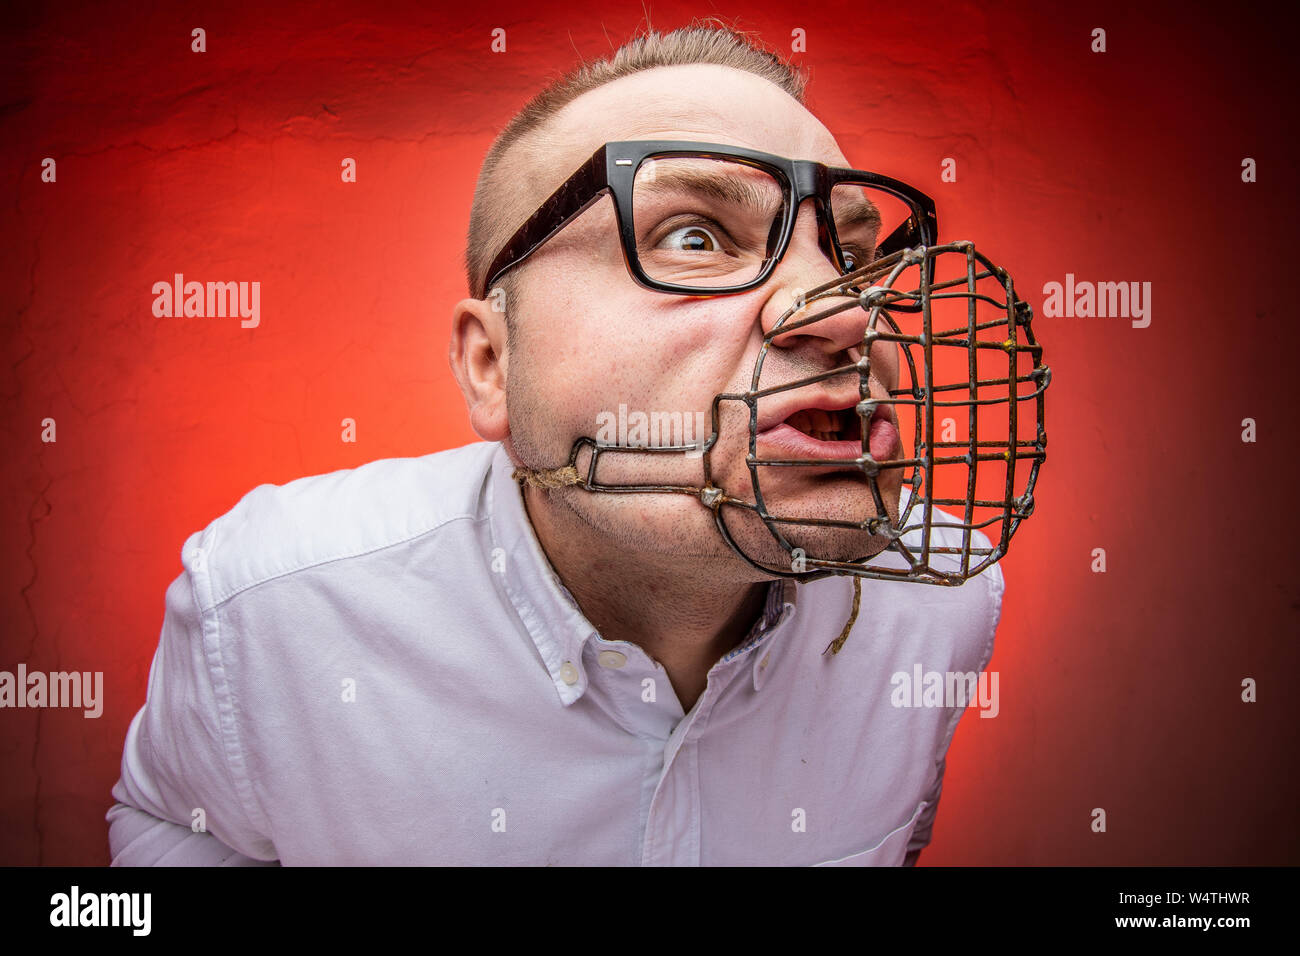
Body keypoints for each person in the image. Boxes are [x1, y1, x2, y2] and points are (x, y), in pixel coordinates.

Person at [107, 22, 1002, 866]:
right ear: (492, 363)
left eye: (854, 258)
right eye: (694, 236)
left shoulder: (946, 598)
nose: (848, 313)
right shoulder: (266, 607)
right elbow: (170, 825)